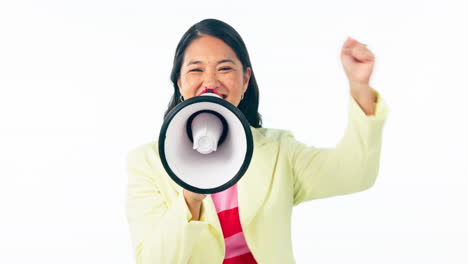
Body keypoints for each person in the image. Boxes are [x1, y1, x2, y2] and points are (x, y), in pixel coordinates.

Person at [125, 18, 388, 264]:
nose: (210, 81)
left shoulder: (279, 151)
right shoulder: (147, 164)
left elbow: (356, 174)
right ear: (179, 83)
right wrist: (190, 198)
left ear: (245, 79)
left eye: (225, 68)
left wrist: (360, 87)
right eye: (196, 70)